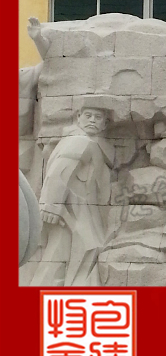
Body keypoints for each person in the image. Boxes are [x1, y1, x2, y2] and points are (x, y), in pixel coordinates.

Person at [31, 106, 114, 286]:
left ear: (105, 123)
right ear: (78, 117)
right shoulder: (80, 141)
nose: (92, 120)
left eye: (98, 117)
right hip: (72, 211)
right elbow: (59, 171)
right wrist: (51, 205)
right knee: (76, 250)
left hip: (81, 208)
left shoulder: (83, 141)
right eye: (88, 115)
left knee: (67, 253)